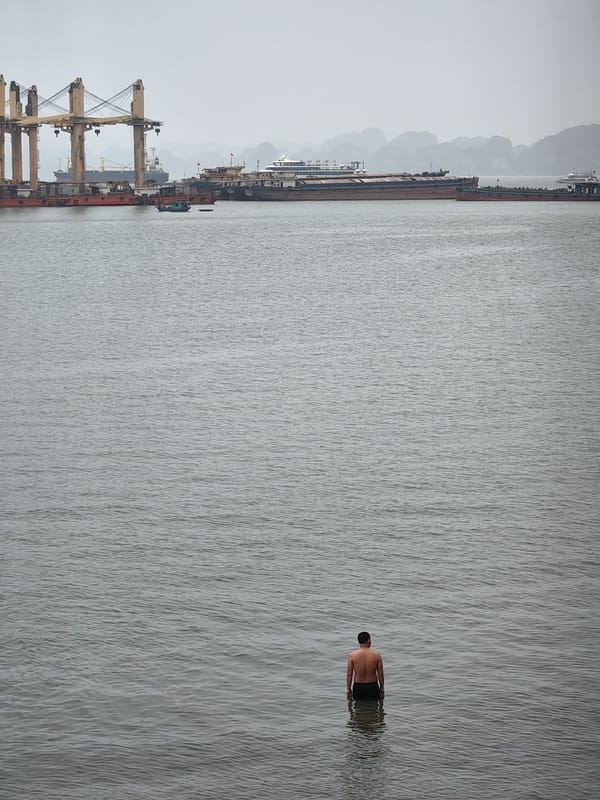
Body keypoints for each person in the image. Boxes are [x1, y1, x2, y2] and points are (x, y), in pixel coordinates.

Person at [346, 631, 384, 701]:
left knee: (358, 709)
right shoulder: (377, 655)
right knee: (374, 709)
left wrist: (348, 689)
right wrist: (381, 688)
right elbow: (380, 674)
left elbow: (349, 674)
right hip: (373, 686)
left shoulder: (352, 655)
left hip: (358, 686)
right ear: (369, 640)